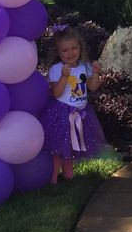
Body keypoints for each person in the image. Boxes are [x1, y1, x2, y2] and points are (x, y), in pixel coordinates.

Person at [41, 25, 106, 184]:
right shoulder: (57, 69)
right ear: (58, 52)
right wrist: (64, 76)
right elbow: (56, 93)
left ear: (80, 48)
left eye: (74, 48)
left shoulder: (85, 66)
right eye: (65, 50)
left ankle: (68, 173)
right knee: (57, 145)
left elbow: (92, 87)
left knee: (69, 144)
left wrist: (96, 73)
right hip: (61, 112)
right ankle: (53, 175)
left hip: (81, 111)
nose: (70, 53)